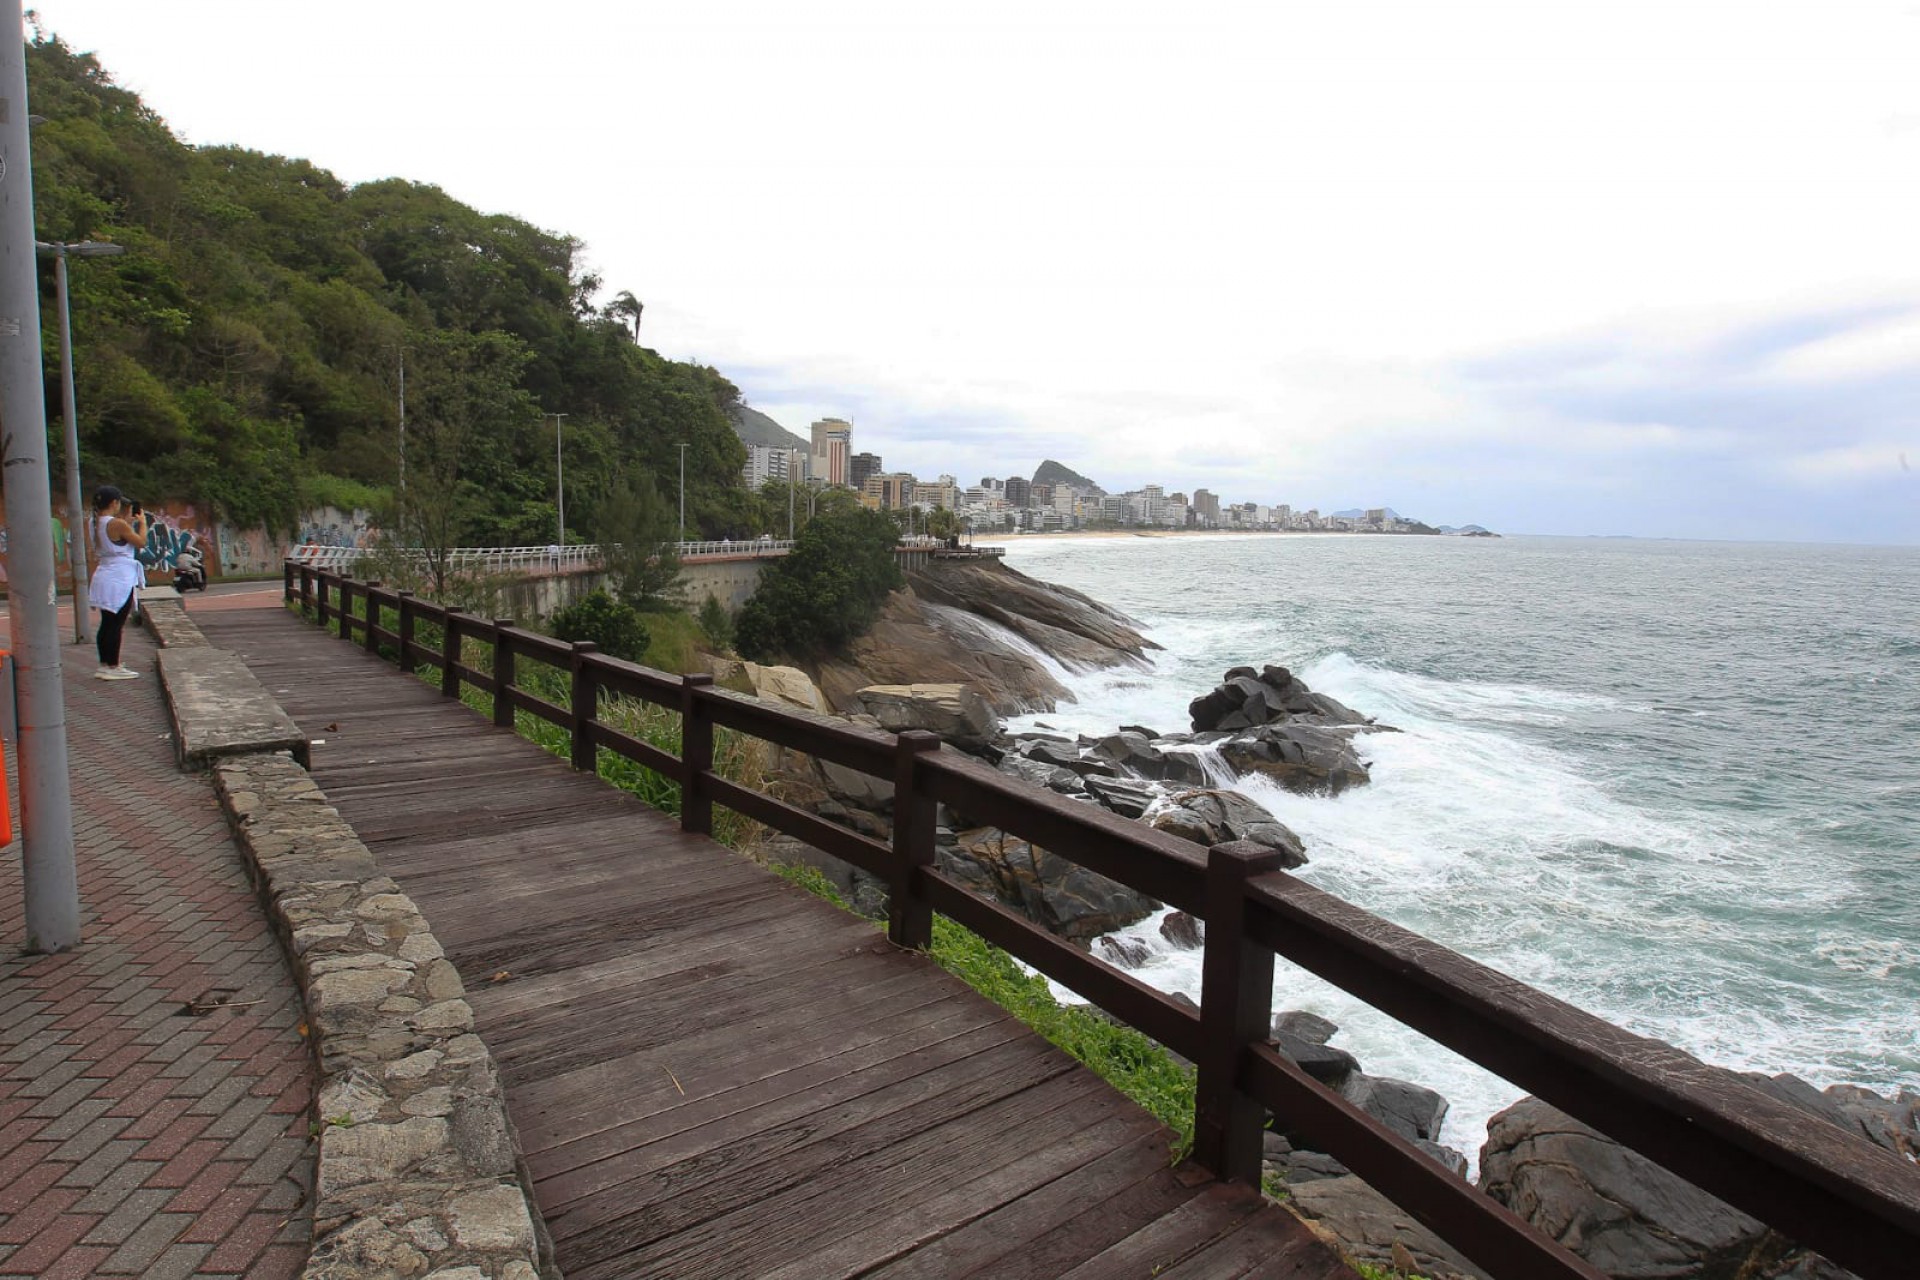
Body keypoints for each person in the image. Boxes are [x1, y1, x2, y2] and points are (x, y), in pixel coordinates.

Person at [87, 485, 149, 680]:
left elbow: (114, 536)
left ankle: (105, 664)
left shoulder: (93, 522)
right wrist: (142, 523)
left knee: (107, 623)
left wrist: (126, 523)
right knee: (116, 624)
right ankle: (113, 666)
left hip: (105, 574)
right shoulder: (117, 524)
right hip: (119, 577)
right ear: (114, 503)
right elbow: (141, 542)